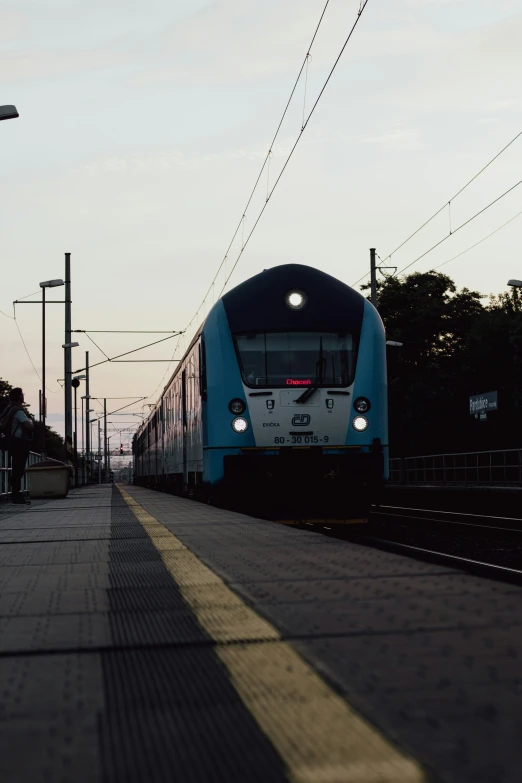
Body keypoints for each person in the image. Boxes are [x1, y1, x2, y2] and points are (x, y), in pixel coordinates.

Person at [7, 388, 33, 505]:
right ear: (19, 397)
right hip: (19, 443)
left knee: (15, 468)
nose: (23, 396)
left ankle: (15, 494)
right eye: (22, 395)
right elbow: (28, 425)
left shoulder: (9, 409)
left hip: (11, 442)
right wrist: (31, 421)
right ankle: (16, 496)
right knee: (19, 469)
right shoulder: (18, 411)